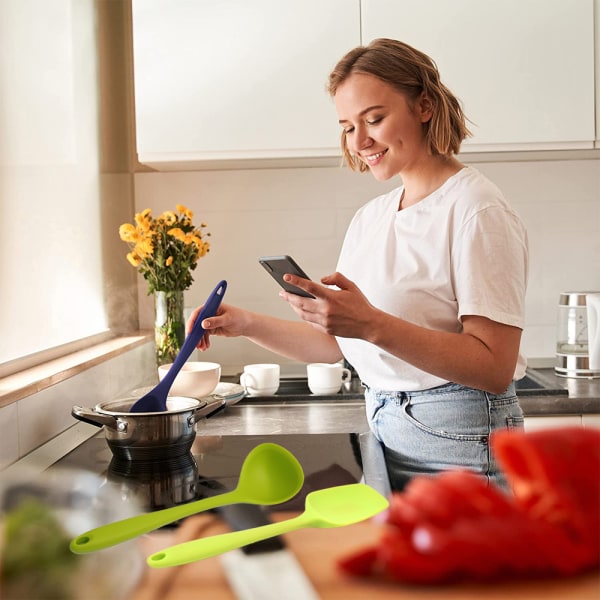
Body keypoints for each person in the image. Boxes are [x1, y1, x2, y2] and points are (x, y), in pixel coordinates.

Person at [189, 38, 529, 491]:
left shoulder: (475, 209)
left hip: (461, 436)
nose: (360, 140)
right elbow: (337, 346)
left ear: (424, 106)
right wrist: (245, 323)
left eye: (375, 119)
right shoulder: (372, 217)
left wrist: (369, 323)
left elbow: (493, 366)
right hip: (389, 428)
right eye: (348, 126)